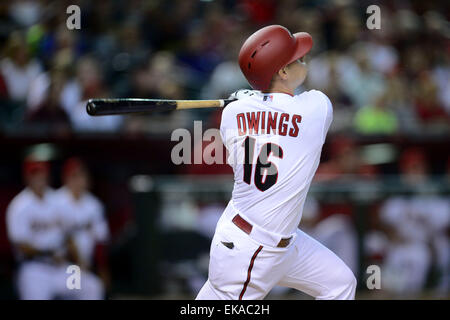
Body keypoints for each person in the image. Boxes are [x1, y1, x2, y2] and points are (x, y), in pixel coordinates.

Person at [196, 25, 356, 300]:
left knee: (340, 283)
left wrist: (251, 98)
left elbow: (261, 110)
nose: (304, 60)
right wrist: (257, 98)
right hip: (251, 248)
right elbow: (288, 107)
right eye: (297, 58)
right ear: (282, 72)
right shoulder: (317, 107)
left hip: (279, 241)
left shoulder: (233, 112)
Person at [6, 156, 103, 299]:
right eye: (34, 174)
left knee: (91, 286)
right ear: (27, 177)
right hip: (35, 269)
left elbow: (69, 235)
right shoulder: (19, 206)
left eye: (41, 173)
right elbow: (21, 245)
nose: (39, 178)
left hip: (62, 268)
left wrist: (79, 261)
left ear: (47, 175)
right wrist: (49, 253)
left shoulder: (57, 200)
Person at [53, 158, 110, 295]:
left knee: (94, 288)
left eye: (81, 175)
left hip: (83, 267)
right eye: (74, 176)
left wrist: (103, 269)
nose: (78, 180)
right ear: (66, 178)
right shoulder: (55, 201)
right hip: (57, 266)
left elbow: (101, 240)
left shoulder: (94, 205)